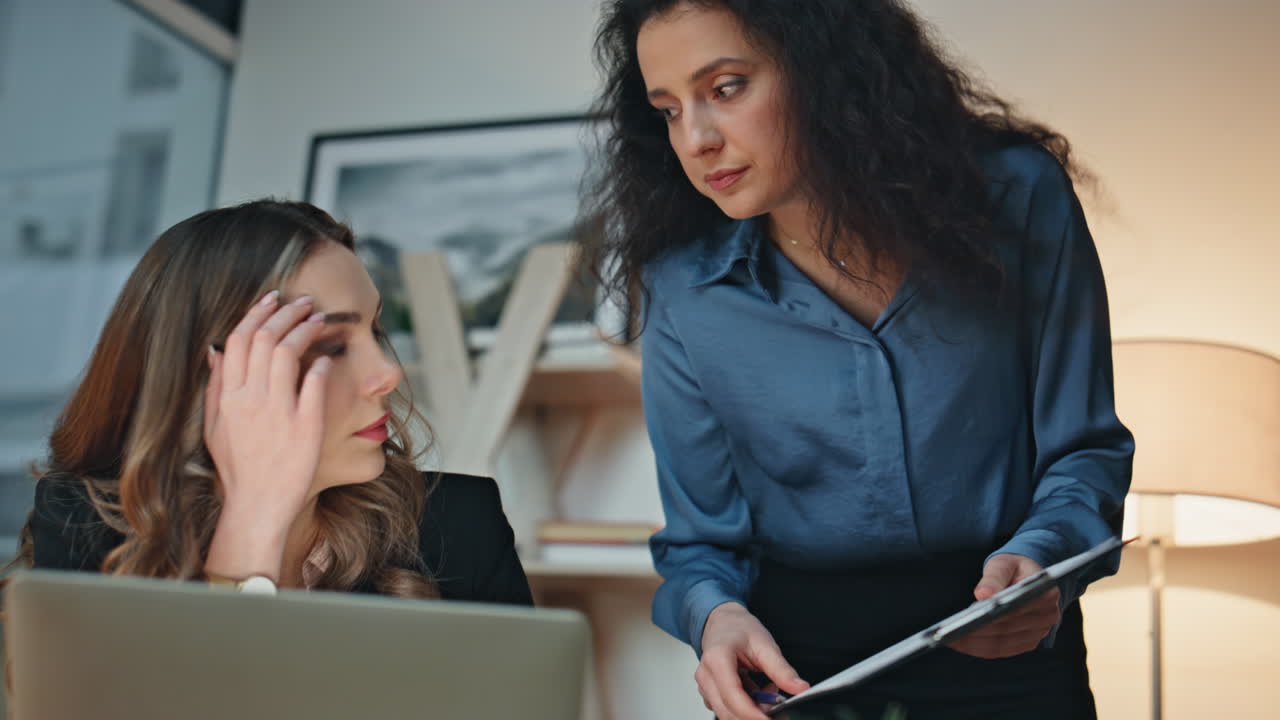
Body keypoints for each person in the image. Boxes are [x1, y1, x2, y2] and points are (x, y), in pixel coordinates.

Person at [578, 1, 1134, 718]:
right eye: (668, 109)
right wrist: (716, 618)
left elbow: (1084, 448)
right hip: (800, 667)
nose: (696, 138)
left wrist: (1047, 560)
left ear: (824, 68)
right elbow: (701, 545)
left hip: (1010, 641)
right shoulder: (682, 286)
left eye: (725, 89)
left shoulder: (1018, 200)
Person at [6, 200, 532, 606]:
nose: (388, 373)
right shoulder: (87, 527)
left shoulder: (463, 527)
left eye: (375, 330)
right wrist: (255, 521)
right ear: (209, 378)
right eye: (331, 345)